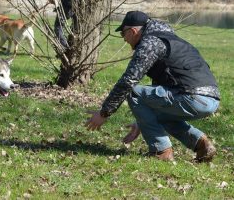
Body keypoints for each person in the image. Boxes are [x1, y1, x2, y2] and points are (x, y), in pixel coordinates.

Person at [85, 11, 220, 162]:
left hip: (191, 97)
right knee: (160, 116)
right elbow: (162, 87)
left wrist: (104, 113)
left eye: (123, 34)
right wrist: (142, 122)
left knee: (133, 92)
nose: (124, 39)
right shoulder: (171, 40)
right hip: (211, 100)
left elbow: (128, 81)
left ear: (133, 31)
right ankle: (201, 144)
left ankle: (161, 151)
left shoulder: (150, 43)